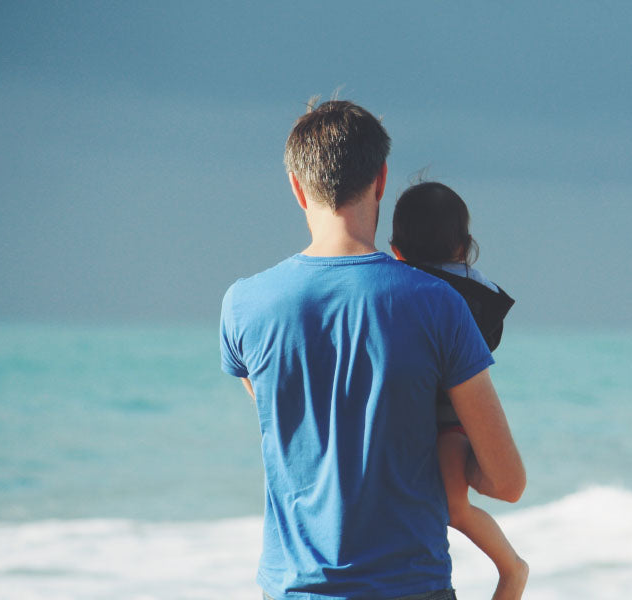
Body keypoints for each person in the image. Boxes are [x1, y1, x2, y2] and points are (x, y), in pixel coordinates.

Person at [219, 99, 525, 600]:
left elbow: (296, 421)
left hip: (293, 590)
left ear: (297, 188)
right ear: (381, 180)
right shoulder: (439, 305)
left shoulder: (242, 306)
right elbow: (508, 482)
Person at [389, 182, 527, 600]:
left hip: (453, 418)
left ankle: (511, 568)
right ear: (464, 245)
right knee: (451, 506)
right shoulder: (477, 290)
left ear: (396, 249)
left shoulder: (405, 289)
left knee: (452, 506)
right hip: (439, 417)